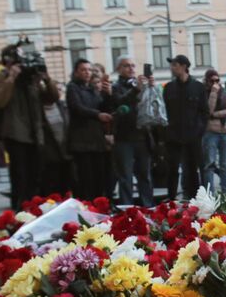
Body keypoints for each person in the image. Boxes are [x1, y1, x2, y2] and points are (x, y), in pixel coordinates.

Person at [0, 43, 69, 207]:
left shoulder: (31, 78)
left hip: (36, 134)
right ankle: (19, 210)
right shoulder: (1, 77)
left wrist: (45, 79)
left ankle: (34, 209)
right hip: (15, 134)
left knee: (36, 178)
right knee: (20, 178)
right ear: (8, 62)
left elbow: (51, 97)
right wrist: (11, 78)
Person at [65, 58, 112, 201]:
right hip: (81, 141)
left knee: (99, 177)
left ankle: (99, 204)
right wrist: (97, 115)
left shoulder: (93, 90)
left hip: (96, 140)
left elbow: (103, 107)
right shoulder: (73, 88)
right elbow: (78, 108)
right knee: (85, 178)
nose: (87, 72)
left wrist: (108, 95)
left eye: (89, 70)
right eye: (83, 70)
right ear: (76, 72)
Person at [161, 54, 207, 200]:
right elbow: (164, 112)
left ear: (184, 66)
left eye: (174, 65)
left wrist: (198, 131)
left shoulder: (198, 87)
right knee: (172, 170)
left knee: (193, 170)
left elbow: (204, 112)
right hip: (173, 137)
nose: (172, 68)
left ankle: (195, 200)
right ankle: (171, 199)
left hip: (192, 137)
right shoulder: (168, 88)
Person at [108, 58, 151, 207]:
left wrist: (150, 87)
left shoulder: (140, 85)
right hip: (124, 138)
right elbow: (119, 101)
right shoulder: (115, 87)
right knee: (125, 176)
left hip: (142, 137)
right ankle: (126, 209)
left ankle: (148, 206)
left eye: (133, 65)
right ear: (119, 68)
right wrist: (136, 89)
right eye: (126, 66)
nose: (131, 68)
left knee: (144, 175)